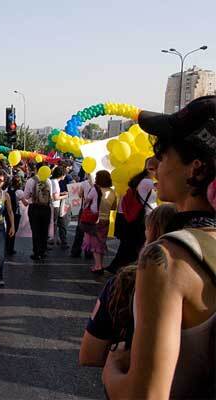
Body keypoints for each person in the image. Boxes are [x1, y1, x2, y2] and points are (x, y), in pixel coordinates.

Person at [102, 95, 216, 399]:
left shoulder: (167, 257)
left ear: (197, 169)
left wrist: (111, 367)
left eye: (163, 154)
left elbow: (146, 395)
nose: (153, 165)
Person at [79, 204, 177, 367]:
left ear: (150, 231)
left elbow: (90, 355)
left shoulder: (126, 281)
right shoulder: (200, 278)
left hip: (131, 374)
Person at [106, 157, 158, 273]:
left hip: (139, 217)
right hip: (145, 217)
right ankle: (132, 269)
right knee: (138, 244)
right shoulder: (147, 182)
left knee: (130, 244)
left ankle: (119, 266)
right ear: (150, 169)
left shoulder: (141, 180)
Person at [81, 170, 117, 273]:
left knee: (94, 243)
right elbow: (113, 207)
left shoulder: (95, 189)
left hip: (94, 219)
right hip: (106, 219)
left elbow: (87, 201)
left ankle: (98, 266)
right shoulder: (112, 191)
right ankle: (100, 264)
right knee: (101, 242)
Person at [24, 163, 54, 261]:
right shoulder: (48, 181)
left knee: (35, 231)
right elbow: (51, 196)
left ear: (36, 169)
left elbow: (26, 196)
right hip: (46, 208)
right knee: (44, 231)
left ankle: (36, 252)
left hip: (34, 208)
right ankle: (43, 251)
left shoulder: (30, 181)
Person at [50, 166, 69, 249]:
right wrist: (65, 196)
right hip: (55, 205)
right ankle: (58, 241)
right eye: (64, 174)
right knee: (59, 223)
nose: (65, 176)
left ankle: (56, 239)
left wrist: (62, 193)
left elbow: (54, 194)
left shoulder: (52, 181)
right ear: (61, 174)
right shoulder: (55, 182)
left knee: (57, 223)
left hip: (53, 205)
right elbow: (55, 197)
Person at [6, 175, 25, 255]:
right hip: (16, 213)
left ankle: (6, 246)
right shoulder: (19, 192)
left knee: (8, 229)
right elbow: (25, 203)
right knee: (13, 230)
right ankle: (10, 248)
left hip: (7, 212)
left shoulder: (8, 189)